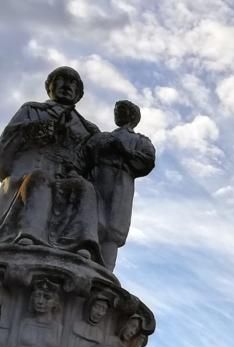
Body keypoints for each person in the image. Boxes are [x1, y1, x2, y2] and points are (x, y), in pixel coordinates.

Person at [0, 66, 101, 259]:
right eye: (61, 80)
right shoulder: (32, 109)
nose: (66, 85)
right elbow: (8, 139)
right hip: (29, 171)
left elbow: (94, 161)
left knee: (85, 188)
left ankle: (82, 244)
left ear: (79, 93)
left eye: (72, 82)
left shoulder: (88, 128)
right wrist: (45, 128)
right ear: (50, 87)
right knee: (39, 180)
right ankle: (29, 235)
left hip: (66, 174)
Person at [87, 100, 156, 270]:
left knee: (113, 226)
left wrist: (123, 150)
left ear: (133, 116)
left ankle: (105, 270)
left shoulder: (141, 140)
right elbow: (86, 153)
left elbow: (147, 161)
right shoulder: (102, 136)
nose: (118, 113)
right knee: (91, 217)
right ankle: (85, 253)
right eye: (116, 110)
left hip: (121, 182)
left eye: (122, 110)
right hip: (97, 178)